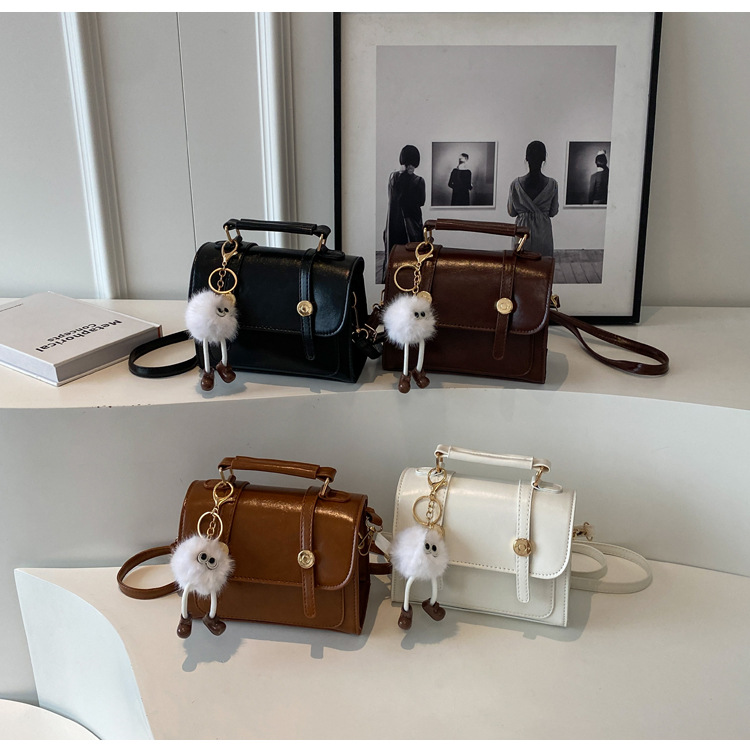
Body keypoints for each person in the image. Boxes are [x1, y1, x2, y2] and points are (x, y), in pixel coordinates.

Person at [507, 140, 559, 257]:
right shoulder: (552, 184)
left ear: (526, 158)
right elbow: (553, 212)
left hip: (522, 233)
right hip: (543, 232)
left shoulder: (515, 184)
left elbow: (511, 212)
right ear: (544, 159)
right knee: (542, 264)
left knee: (521, 265)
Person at [382, 144, 425, 283]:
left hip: (394, 223)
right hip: (412, 223)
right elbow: (421, 202)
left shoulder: (393, 178)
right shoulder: (419, 180)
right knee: (413, 255)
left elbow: (394, 199)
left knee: (395, 256)